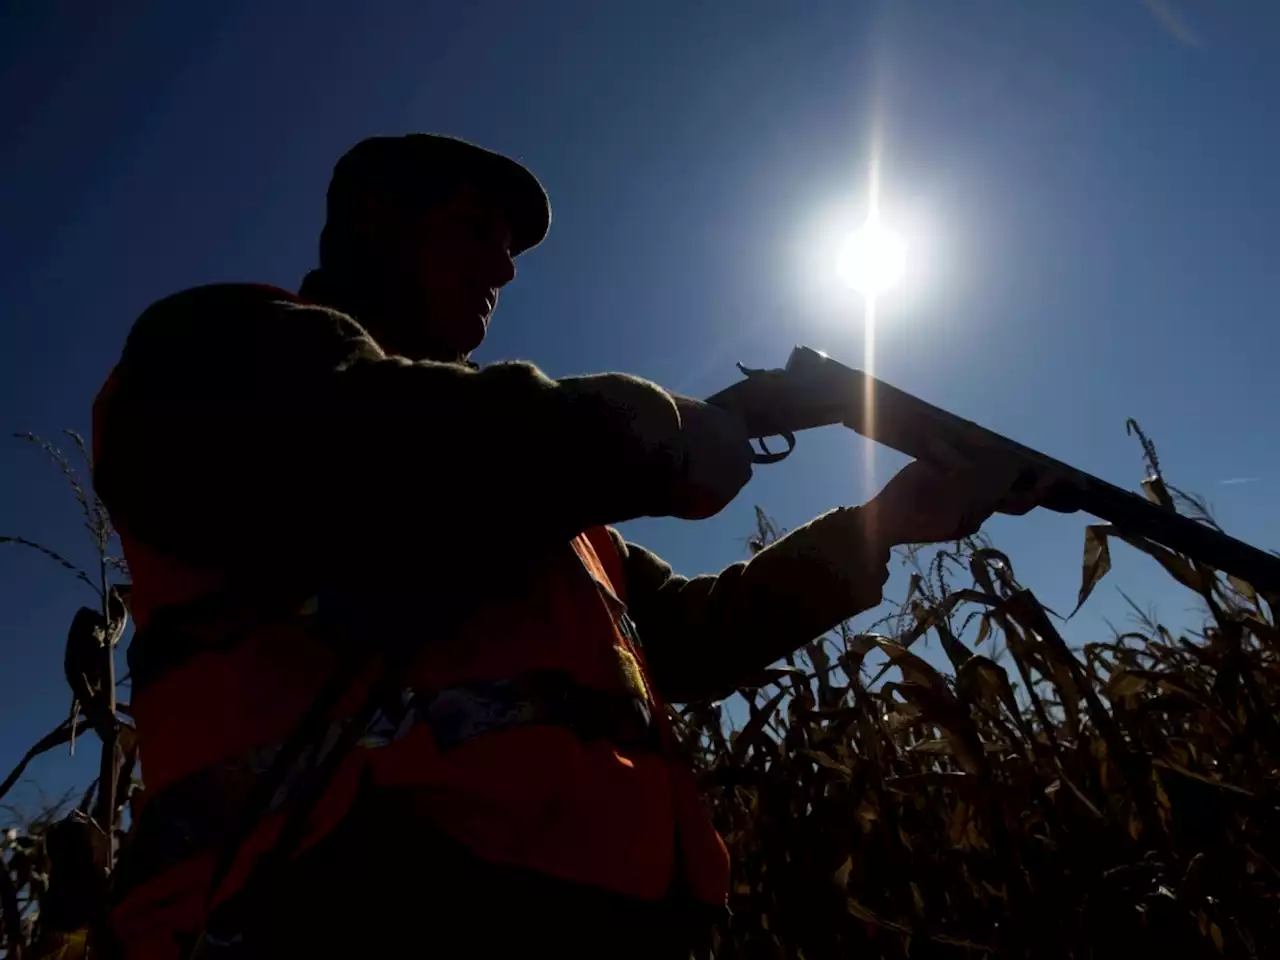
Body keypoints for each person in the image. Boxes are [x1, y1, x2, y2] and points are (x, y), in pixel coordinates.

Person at [92, 134, 1052, 959]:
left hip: (601, 924)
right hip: (330, 910)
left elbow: (687, 638)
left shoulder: (556, 520)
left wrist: (884, 523)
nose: (506, 271)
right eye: (477, 232)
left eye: (509, 251)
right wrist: (698, 430)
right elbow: (398, 451)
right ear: (377, 227)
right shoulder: (216, 350)